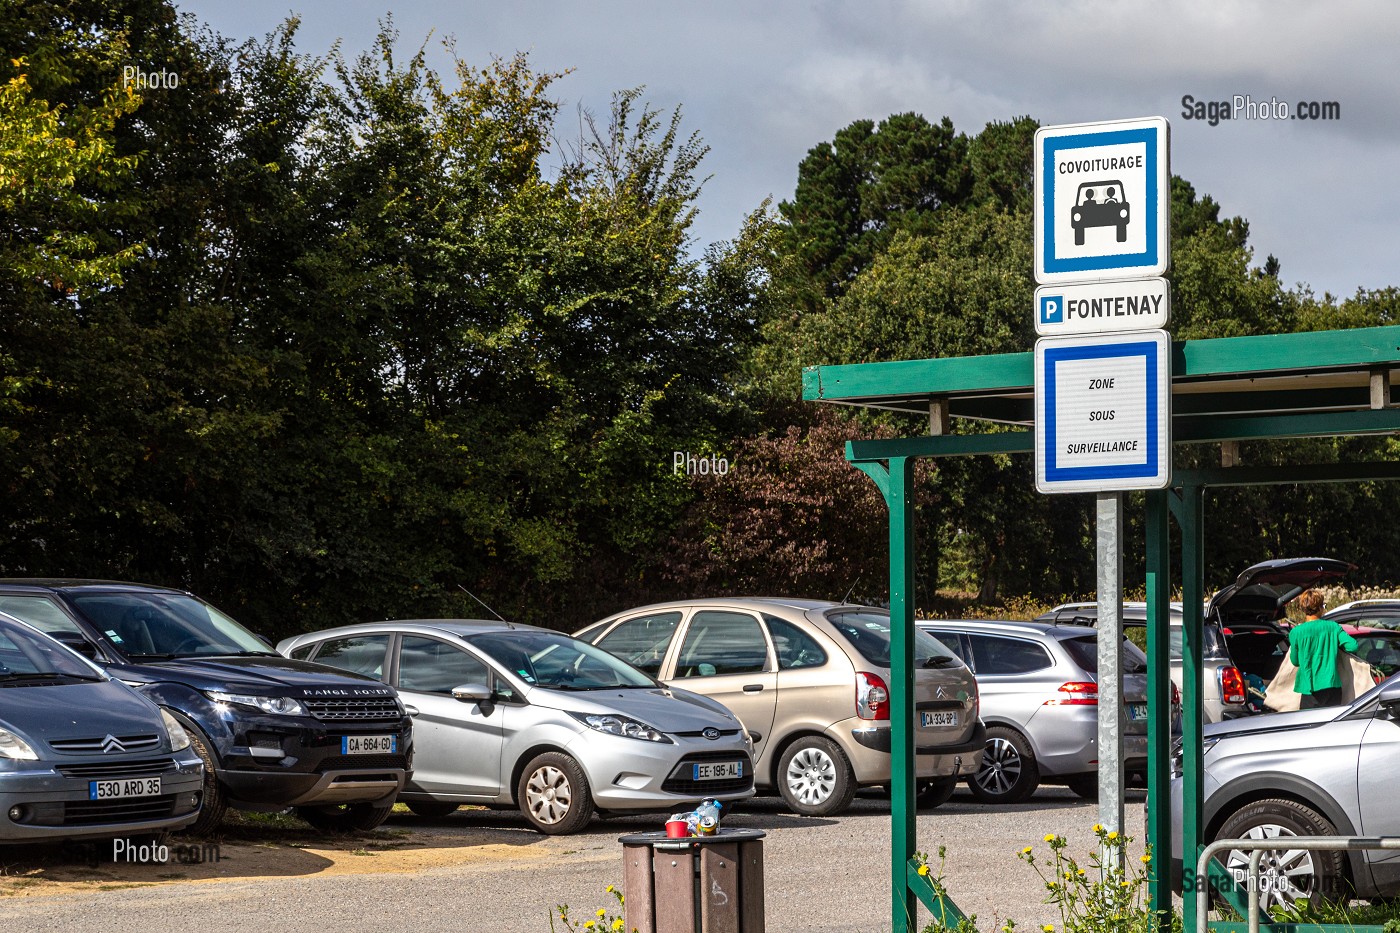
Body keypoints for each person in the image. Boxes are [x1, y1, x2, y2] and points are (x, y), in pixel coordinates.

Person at [1288, 590, 1358, 708]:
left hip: (1309, 689)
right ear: (1320, 607)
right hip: (1332, 687)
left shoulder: (1296, 632)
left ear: (1303, 609)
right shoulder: (1333, 627)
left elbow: (1295, 661)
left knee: (1308, 724)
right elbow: (1353, 646)